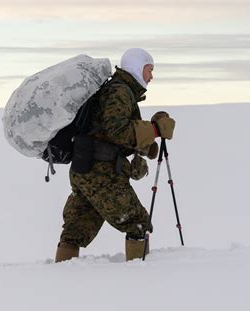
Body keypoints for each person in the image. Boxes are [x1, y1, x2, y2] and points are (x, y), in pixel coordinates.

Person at [55, 48, 176, 262]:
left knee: (78, 227)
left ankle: (62, 276)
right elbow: (117, 131)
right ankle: (139, 277)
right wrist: (155, 129)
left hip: (85, 169)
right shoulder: (119, 92)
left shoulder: (116, 90)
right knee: (137, 222)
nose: (151, 76)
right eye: (149, 70)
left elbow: (107, 132)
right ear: (137, 67)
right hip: (101, 172)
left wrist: (147, 144)